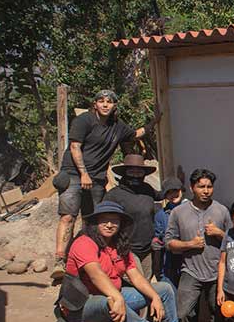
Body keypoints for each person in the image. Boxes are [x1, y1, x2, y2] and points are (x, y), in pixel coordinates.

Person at [60, 201, 202, 322]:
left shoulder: (118, 245)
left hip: (113, 296)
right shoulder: (84, 242)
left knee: (164, 289)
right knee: (111, 301)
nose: (109, 224)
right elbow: (96, 274)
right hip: (81, 307)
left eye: (114, 220)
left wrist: (155, 296)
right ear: (95, 222)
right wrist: (117, 297)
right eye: (104, 220)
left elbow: (136, 276)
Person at [51, 90, 156, 281]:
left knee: (91, 219)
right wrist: (83, 173)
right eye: (101, 101)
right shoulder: (84, 120)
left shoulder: (118, 126)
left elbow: (136, 134)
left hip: (97, 178)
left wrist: (156, 120)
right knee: (68, 216)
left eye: (109, 102)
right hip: (74, 173)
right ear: (95, 104)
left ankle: (87, 258)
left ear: (115, 105)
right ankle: (59, 259)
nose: (105, 105)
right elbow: (75, 147)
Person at [165, 168, 231, 322]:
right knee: (182, 313)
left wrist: (219, 234)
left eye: (209, 186)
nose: (206, 190)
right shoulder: (178, 212)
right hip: (190, 270)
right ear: (192, 188)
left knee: (217, 313)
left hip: (217, 272)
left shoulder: (221, 210)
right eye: (201, 186)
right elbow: (169, 242)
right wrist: (189, 244)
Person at [103, 154, 158, 281]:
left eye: (139, 171)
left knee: (147, 281)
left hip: (148, 249)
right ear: (124, 173)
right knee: (138, 283)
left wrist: (177, 185)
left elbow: (161, 195)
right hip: (126, 249)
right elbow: (103, 222)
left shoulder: (147, 189)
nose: (135, 175)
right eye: (131, 171)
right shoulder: (114, 196)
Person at [152, 177, 185, 287]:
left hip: (189, 261)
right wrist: (156, 242)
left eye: (175, 191)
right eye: (169, 193)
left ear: (181, 190)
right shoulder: (160, 215)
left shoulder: (192, 210)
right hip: (169, 261)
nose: (173, 195)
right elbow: (158, 237)